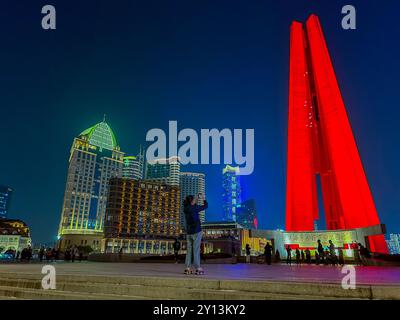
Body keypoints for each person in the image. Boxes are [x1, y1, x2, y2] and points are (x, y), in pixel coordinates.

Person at [183, 193, 208, 275]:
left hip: (189, 232)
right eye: (193, 199)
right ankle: (198, 267)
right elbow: (205, 206)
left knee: (189, 250)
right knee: (196, 250)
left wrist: (195, 198)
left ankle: (187, 268)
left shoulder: (186, 208)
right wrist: (203, 198)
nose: (195, 200)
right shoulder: (194, 208)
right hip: (196, 231)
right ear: (191, 201)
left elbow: (192, 203)